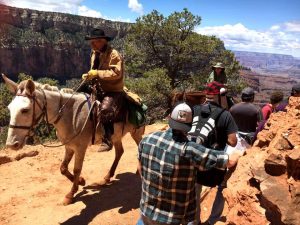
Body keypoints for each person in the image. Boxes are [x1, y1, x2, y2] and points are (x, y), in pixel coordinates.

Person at [136, 102, 241, 225]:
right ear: (191, 125)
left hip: (146, 211)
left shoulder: (147, 140)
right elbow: (229, 161)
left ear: (169, 118)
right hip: (172, 218)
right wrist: (239, 153)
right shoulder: (191, 150)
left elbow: (139, 169)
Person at [189, 81, 238, 225]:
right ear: (219, 95)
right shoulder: (225, 115)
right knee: (222, 187)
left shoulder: (195, 109)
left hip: (194, 159)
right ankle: (212, 220)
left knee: (195, 190)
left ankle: (195, 221)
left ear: (206, 93)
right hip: (214, 163)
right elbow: (232, 141)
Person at [81, 28, 124, 152]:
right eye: (91, 41)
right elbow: (94, 68)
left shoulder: (114, 54)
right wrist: (89, 75)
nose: (92, 44)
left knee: (105, 109)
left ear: (103, 41)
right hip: (98, 86)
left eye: (95, 41)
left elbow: (117, 73)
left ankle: (107, 139)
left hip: (113, 89)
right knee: (77, 98)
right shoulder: (95, 52)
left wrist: (97, 73)